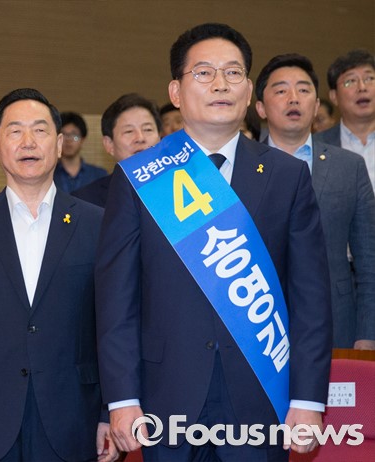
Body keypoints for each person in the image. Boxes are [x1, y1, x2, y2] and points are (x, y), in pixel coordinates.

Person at [96, 23, 332, 461]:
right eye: (204, 73)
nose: (221, 84)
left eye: (233, 73)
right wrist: (122, 399)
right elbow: (117, 301)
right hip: (166, 395)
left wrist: (307, 400)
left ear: (248, 91)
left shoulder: (287, 176)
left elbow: (311, 298)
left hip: (261, 390)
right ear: (176, 91)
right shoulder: (140, 178)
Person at [0, 88, 116, 462]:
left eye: (40, 130)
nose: (28, 142)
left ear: (59, 144)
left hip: (74, 415)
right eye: (15, 131)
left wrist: (108, 412)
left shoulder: (97, 223)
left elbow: (111, 326)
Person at [255, 53, 375, 350]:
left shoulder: (349, 166)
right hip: (259, 325)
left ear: (318, 105)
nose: (293, 98)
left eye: (304, 89)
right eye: (281, 90)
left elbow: (369, 261)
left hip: (336, 323)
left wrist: (368, 334)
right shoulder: (242, 167)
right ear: (260, 107)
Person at [72, 93, 161, 207]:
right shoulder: (84, 201)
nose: (140, 138)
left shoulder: (180, 187)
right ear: (109, 144)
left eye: (148, 129)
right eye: (129, 131)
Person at [315, 49, 375, 187]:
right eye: (350, 81)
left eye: (369, 79)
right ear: (334, 96)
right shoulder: (315, 147)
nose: (362, 87)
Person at [53, 111, 107, 192]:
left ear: (82, 139)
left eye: (74, 135)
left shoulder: (99, 175)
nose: (69, 140)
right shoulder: (48, 174)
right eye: (64, 135)